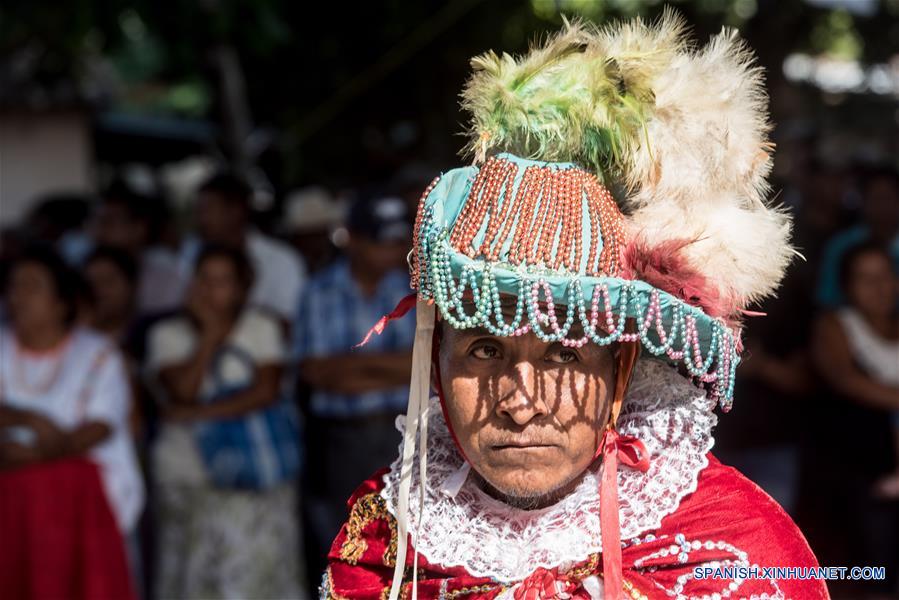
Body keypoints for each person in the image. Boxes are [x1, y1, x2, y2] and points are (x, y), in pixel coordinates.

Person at [323, 15, 827, 600]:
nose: (519, 405)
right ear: (438, 364)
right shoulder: (385, 542)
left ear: (622, 370)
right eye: (485, 350)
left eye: (564, 353)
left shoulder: (736, 551)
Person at [146, 244, 304, 600]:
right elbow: (183, 390)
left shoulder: (260, 327)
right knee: (191, 578)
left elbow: (265, 391)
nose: (211, 289)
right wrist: (210, 337)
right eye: (204, 279)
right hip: (186, 476)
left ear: (242, 287)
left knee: (255, 577)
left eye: (223, 281)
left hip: (256, 478)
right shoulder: (165, 334)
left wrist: (197, 414)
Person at [0, 245, 142, 600]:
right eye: (14, 287)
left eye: (32, 287)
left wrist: (43, 452)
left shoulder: (97, 353)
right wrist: (28, 419)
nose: (19, 297)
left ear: (62, 302)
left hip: (75, 506)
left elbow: (103, 424)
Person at [294, 191, 416, 585]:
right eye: (382, 240)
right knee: (342, 538)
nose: (392, 250)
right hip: (340, 439)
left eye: (398, 240)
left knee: (402, 537)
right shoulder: (318, 290)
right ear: (355, 239)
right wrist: (394, 364)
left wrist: (353, 362)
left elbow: (422, 366)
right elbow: (316, 371)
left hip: (402, 431)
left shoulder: (410, 289)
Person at [803, 243, 899, 596]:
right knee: (866, 572)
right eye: (865, 278)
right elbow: (845, 380)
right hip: (855, 472)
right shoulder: (835, 325)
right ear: (846, 286)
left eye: (885, 275)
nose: (879, 286)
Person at [180, 172, 307, 327]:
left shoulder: (281, 260)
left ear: (236, 211)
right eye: (199, 211)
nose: (201, 219)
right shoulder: (189, 256)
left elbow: (292, 323)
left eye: (208, 209)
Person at [93, 180, 187, 315]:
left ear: (139, 228)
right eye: (97, 222)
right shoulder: (88, 270)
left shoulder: (166, 272)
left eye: (109, 222)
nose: (100, 232)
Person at [815, 166, 899, 308]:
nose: (883, 206)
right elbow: (828, 300)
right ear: (863, 202)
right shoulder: (839, 246)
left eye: (889, 198)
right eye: (876, 199)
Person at [281, 185, 344, 274]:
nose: (322, 239)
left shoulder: (337, 260)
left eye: (324, 232)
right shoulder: (285, 264)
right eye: (316, 234)